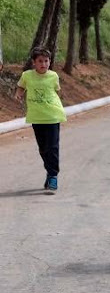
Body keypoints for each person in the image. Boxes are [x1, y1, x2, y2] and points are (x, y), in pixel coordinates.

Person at [14, 47, 67, 194]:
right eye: (40, 61)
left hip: (52, 116)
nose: (43, 64)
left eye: (46, 61)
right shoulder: (27, 75)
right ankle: (50, 171)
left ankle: (53, 176)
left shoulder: (53, 76)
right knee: (43, 148)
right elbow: (20, 86)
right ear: (34, 63)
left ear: (50, 62)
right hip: (36, 117)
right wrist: (18, 94)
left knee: (53, 147)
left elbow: (57, 91)